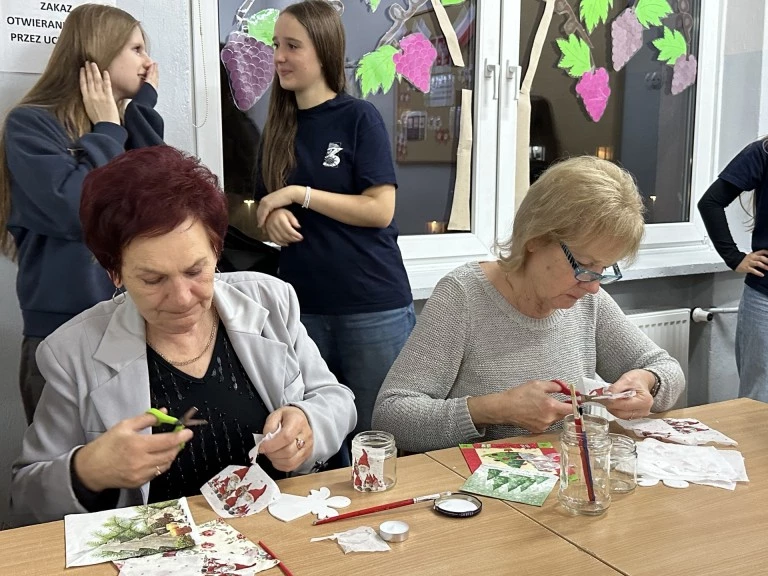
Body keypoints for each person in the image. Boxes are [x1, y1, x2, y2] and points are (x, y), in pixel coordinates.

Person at [10, 146, 356, 526]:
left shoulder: (271, 300)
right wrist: (89, 470)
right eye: (153, 279)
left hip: (276, 534)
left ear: (216, 250)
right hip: (156, 555)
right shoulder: (70, 352)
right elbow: (26, 498)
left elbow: (335, 399)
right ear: (115, 273)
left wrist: (307, 424)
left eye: (195, 271)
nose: (181, 299)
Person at [372, 156, 685, 453]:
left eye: (604, 270)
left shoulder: (587, 301)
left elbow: (668, 369)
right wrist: (494, 409)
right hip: (473, 492)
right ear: (535, 237)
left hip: (563, 480)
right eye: (585, 265)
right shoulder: (464, 296)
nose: (592, 286)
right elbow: (392, 416)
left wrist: (647, 382)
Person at [254, 1, 414, 438]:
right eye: (276, 45)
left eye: (292, 46)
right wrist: (269, 219)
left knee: (382, 436)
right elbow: (257, 208)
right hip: (303, 309)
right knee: (321, 442)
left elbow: (380, 210)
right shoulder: (277, 130)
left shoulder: (358, 117)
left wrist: (298, 194)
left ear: (323, 51)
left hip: (371, 306)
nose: (279, 57)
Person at [0, 4, 164, 425]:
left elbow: (160, 197)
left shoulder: (124, 125)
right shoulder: (30, 125)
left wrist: (139, 109)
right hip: (61, 331)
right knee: (65, 476)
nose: (149, 62)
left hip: (133, 325)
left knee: (139, 472)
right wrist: (107, 130)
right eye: (137, 48)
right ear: (100, 53)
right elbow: (79, 211)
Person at [698, 138, 768, 402]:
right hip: (764, 297)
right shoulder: (762, 152)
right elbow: (710, 202)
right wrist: (733, 257)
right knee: (758, 398)